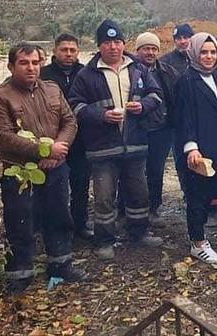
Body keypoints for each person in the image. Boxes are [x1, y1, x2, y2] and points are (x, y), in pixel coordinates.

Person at [0, 43, 87, 295]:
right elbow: (4, 136)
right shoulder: (0, 97)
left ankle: (61, 265)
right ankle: (20, 275)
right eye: (24, 63)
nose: (31, 68)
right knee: (21, 222)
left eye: (35, 62)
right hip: (19, 172)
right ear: (11, 66)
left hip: (56, 168)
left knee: (59, 217)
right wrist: (43, 151)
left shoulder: (52, 90)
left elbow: (69, 121)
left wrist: (59, 148)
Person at [68, 19, 164, 260]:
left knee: (139, 193)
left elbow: (156, 95)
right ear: (100, 46)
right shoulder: (86, 74)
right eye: (107, 43)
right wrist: (101, 115)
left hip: (135, 145)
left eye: (117, 42)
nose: (113, 47)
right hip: (102, 149)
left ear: (124, 44)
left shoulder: (138, 69)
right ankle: (104, 241)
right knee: (104, 198)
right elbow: (74, 105)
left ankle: (138, 233)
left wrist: (142, 106)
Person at [174, 33, 217, 265]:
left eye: (212, 52)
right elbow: (183, 117)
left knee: (210, 195)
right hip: (198, 150)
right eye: (204, 52)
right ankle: (197, 243)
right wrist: (191, 147)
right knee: (196, 196)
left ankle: (201, 233)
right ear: (194, 53)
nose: (208, 56)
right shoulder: (187, 80)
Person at [40, 33, 90, 239]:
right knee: (51, 187)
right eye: (64, 50)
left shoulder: (86, 73)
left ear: (78, 51)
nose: (68, 54)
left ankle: (80, 225)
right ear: (55, 51)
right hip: (50, 141)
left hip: (80, 140)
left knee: (81, 184)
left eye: (72, 50)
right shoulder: (43, 75)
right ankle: (52, 230)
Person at [134, 32, 180, 227]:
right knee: (132, 172)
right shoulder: (130, 70)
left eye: (154, 49)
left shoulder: (167, 71)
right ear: (138, 50)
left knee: (156, 171)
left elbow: (175, 98)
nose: (150, 52)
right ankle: (126, 209)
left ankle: (153, 208)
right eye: (146, 48)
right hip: (136, 129)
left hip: (161, 130)